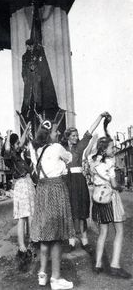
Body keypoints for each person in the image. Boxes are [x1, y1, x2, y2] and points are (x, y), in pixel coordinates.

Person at [29, 120, 75, 290]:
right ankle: (56, 279)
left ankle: (42, 274)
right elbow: (70, 158)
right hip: (56, 189)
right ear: (49, 135)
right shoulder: (57, 148)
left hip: (42, 191)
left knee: (45, 234)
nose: (58, 134)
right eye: (56, 132)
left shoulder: (36, 150)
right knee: (57, 236)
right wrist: (64, 159)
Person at [61, 112, 111, 252]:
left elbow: (90, 130)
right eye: (73, 136)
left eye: (77, 135)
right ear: (67, 138)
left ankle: (84, 240)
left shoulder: (80, 146)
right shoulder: (62, 149)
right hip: (67, 181)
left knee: (82, 210)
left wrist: (100, 117)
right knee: (70, 210)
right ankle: (71, 241)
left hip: (79, 181)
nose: (76, 138)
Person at [88, 127, 132, 279]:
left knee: (103, 232)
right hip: (110, 198)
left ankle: (98, 264)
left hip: (99, 199)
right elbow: (114, 184)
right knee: (119, 231)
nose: (114, 149)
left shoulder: (94, 162)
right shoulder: (110, 163)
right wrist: (120, 187)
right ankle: (115, 265)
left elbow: (92, 152)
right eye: (112, 147)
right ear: (104, 149)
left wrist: (106, 130)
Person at [2, 123, 35, 257]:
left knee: (31, 215)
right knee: (22, 217)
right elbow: (8, 147)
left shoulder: (18, 154)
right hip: (21, 184)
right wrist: (9, 135)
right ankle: (22, 245)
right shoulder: (9, 157)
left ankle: (32, 240)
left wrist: (26, 129)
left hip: (28, 184)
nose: (18, 146)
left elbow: (20, 142)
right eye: (16, 144)